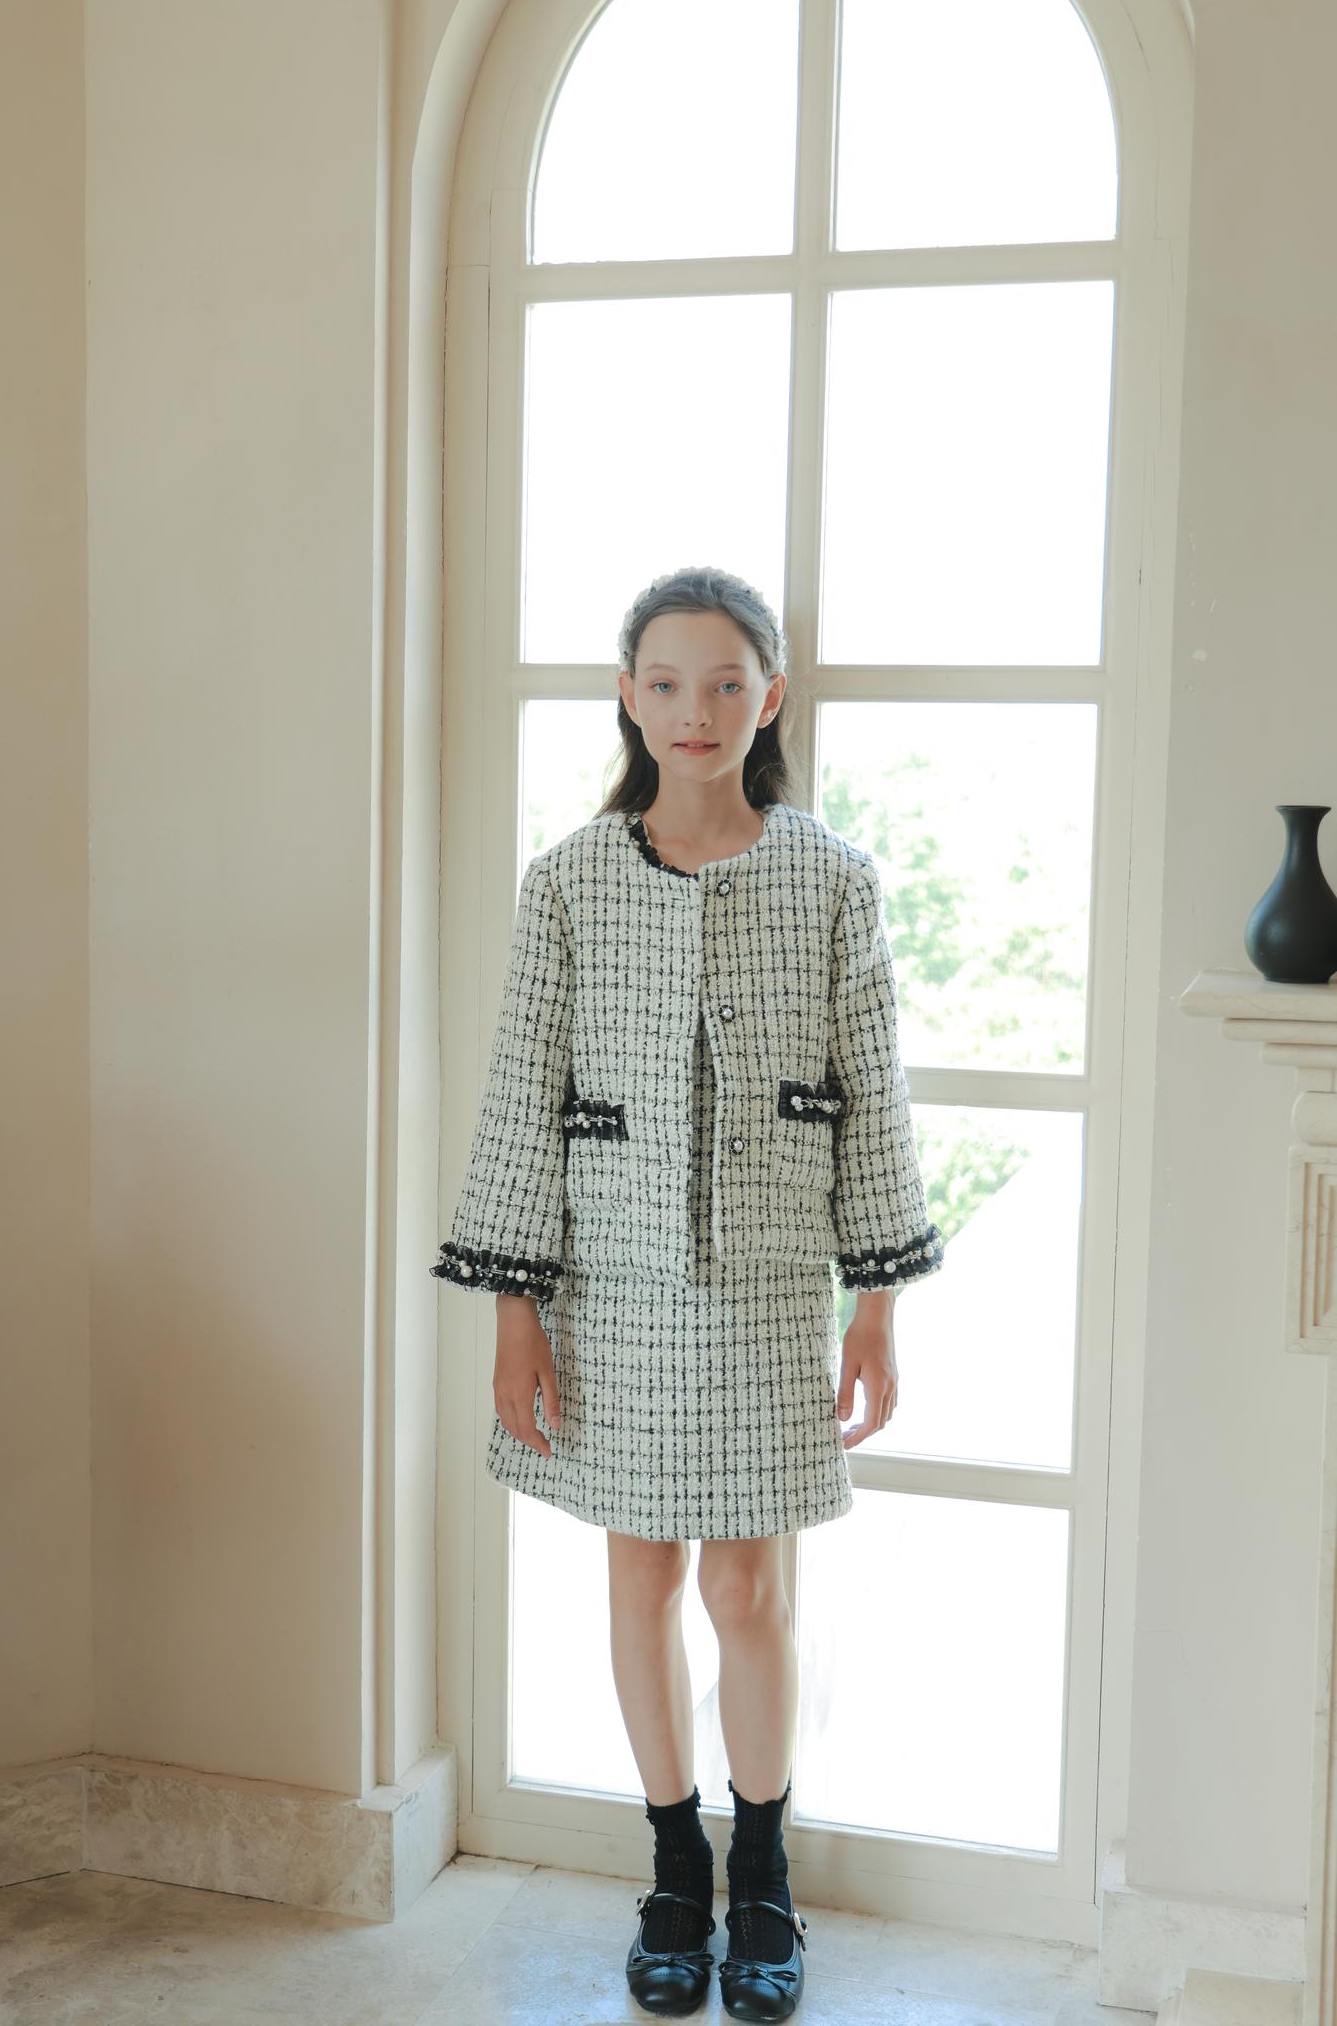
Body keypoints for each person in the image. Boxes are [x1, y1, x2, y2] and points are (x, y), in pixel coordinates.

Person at [432, 565, 945, 2022]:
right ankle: (671, 1867)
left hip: (774, 1285)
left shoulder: (833, 880)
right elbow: (520, 1100)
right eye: (665, 682)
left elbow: (874, 1103)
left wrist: (876, 1303)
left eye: (726, 682)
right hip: (609, 1283)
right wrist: (512, 1312)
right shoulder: (569, 884)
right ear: (626, 695)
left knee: (746, 1584)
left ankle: (762, 1873)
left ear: (768, 698)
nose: (695, 710)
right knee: (640, 1569)